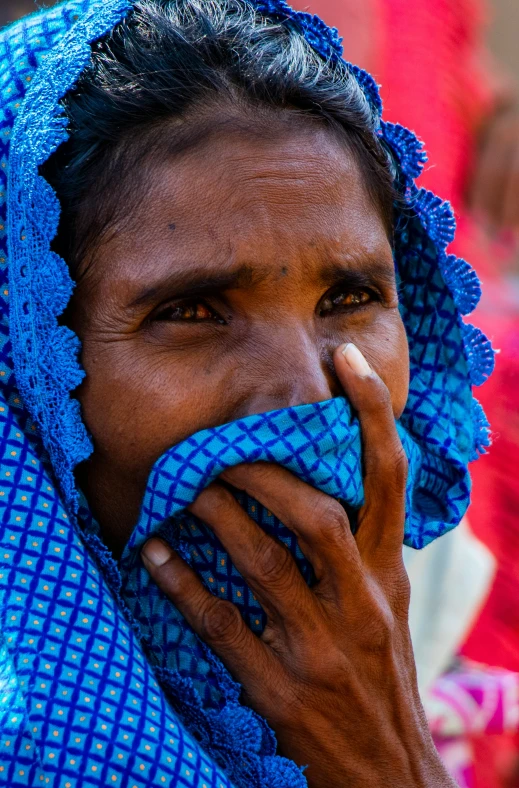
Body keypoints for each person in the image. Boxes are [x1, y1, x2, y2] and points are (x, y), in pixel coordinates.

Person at [0, 0, 493, 785]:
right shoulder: (42, 750)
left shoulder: (435, 630)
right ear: (27, 363)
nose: (304, 391)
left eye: (348, 298)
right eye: (190, 312)